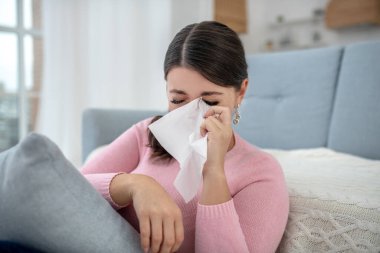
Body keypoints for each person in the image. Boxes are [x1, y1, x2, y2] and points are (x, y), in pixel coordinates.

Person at [81, 21, 289, 253]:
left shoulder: (260, 172)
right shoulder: (147, 133)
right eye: (178, 100)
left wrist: (214, 170)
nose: (192, 115)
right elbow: (70, 187)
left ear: (240, 92)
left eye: (210, 101)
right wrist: (136, 185)